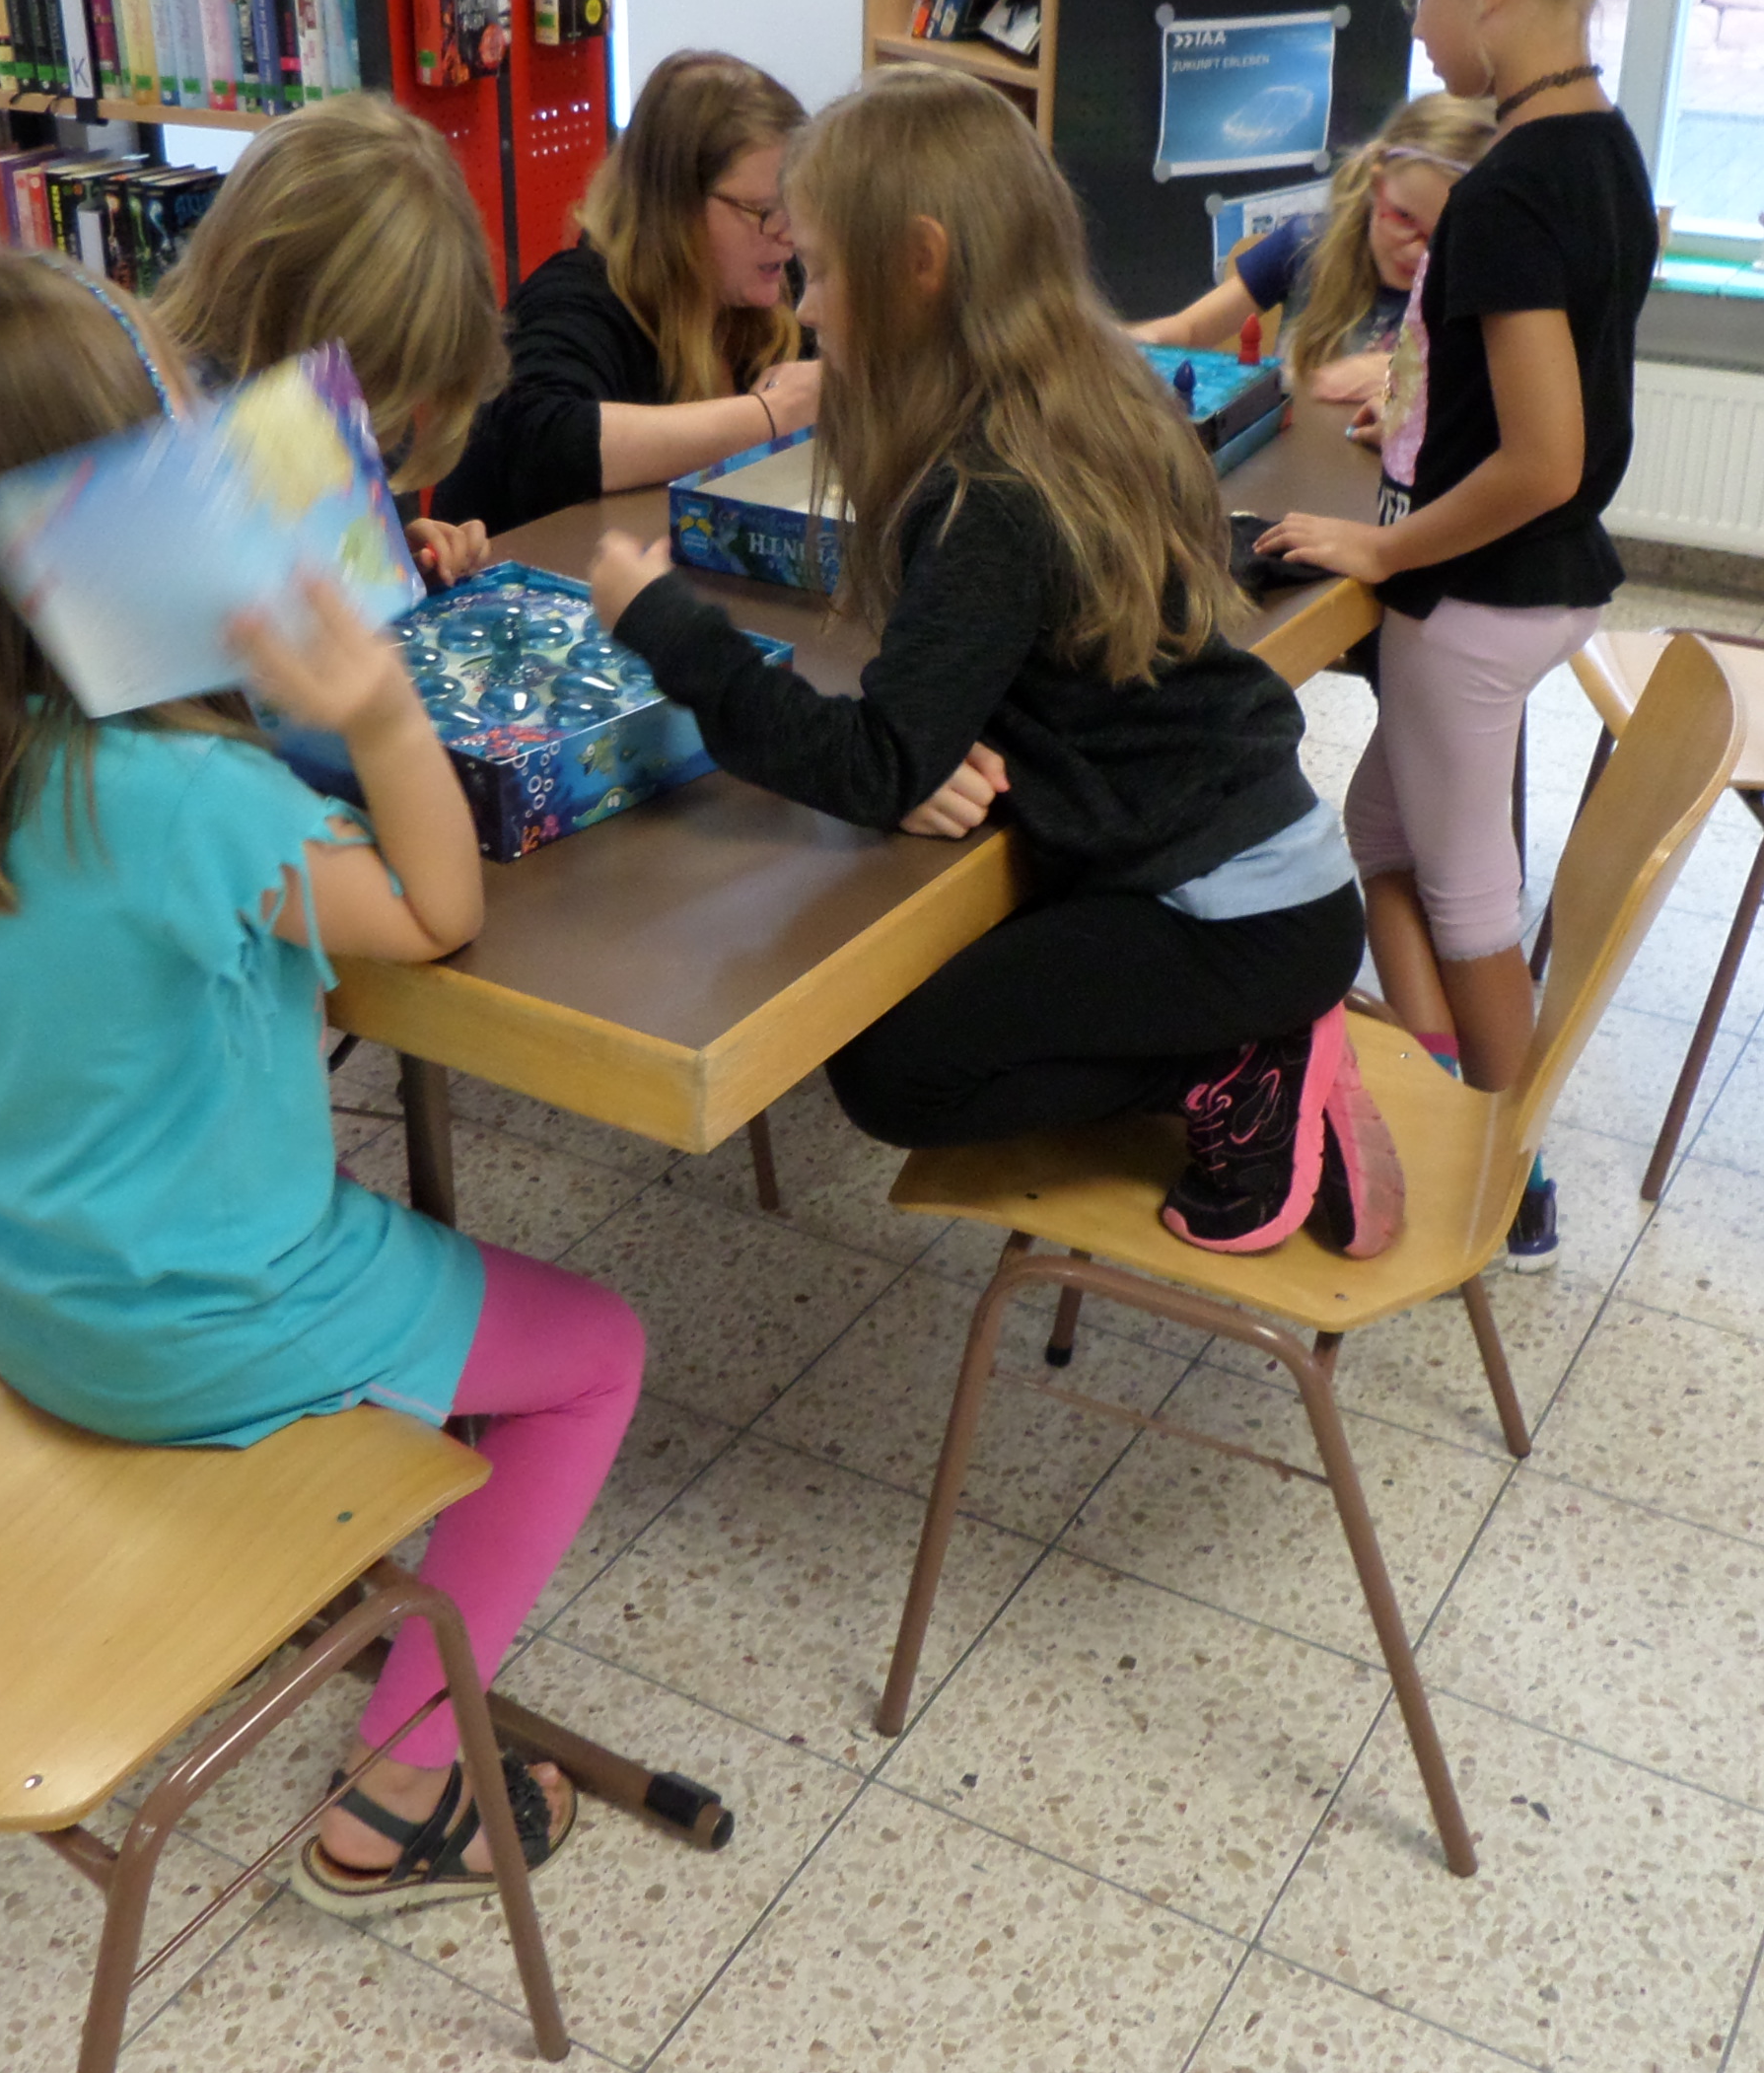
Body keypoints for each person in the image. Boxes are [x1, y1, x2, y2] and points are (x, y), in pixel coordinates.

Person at [0, 250, 645, 1913]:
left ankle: (345, 1497)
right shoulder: (191, 801)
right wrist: (383, 715)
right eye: (171, 438)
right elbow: (437, 910)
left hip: (18, 1292)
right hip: (196, 1322)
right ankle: (404, 1784)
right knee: (594, 1356)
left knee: (384, 1251)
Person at [585, 67, 1397, 1256]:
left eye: (824, 270)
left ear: (920, 262)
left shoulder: (987, 492)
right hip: (1265, 886)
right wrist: (953, 736)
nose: (808, 309)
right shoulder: (1087, 392)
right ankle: (1248, 1039)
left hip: (1230, 925)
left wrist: (669, 627)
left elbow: (877, 765)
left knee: (893, 1072)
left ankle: (1237, 1066)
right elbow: (1015, 677)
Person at [1257, 0, 1672, 1271]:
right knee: (1376, 845)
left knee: (1471, 904)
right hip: (1542, 586)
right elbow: (1533, 412)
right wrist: (1423, 439)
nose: (1420, 24)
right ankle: (1441, 1094)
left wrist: (1382, 545)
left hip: (1475, 604)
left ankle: (1510, 1180)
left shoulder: (1504, 194)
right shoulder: (1602, 150)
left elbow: (1545, 457)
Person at [426, 49, 825, 532]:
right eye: (763, 211)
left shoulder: (775, 280)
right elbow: (543, 443)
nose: (787, 235)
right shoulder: (577, 297)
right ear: (674, 210)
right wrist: (771, 415)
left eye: (794, 207)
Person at [153, 94, 510, 590]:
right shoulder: (163, 443)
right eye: (374, 395)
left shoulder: (336, 399)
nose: (388, 435)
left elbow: (327, 559)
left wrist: (394, 563)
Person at [1132, 94, 1496, 415]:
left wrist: (1402, 376)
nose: (1417, 250)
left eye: (1445, 237)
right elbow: (1191, 329)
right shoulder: (1307, 244)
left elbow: (1500, 406)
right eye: (1403, 217)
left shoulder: (1487, 296)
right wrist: (1131, 346)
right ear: (1376, 185)